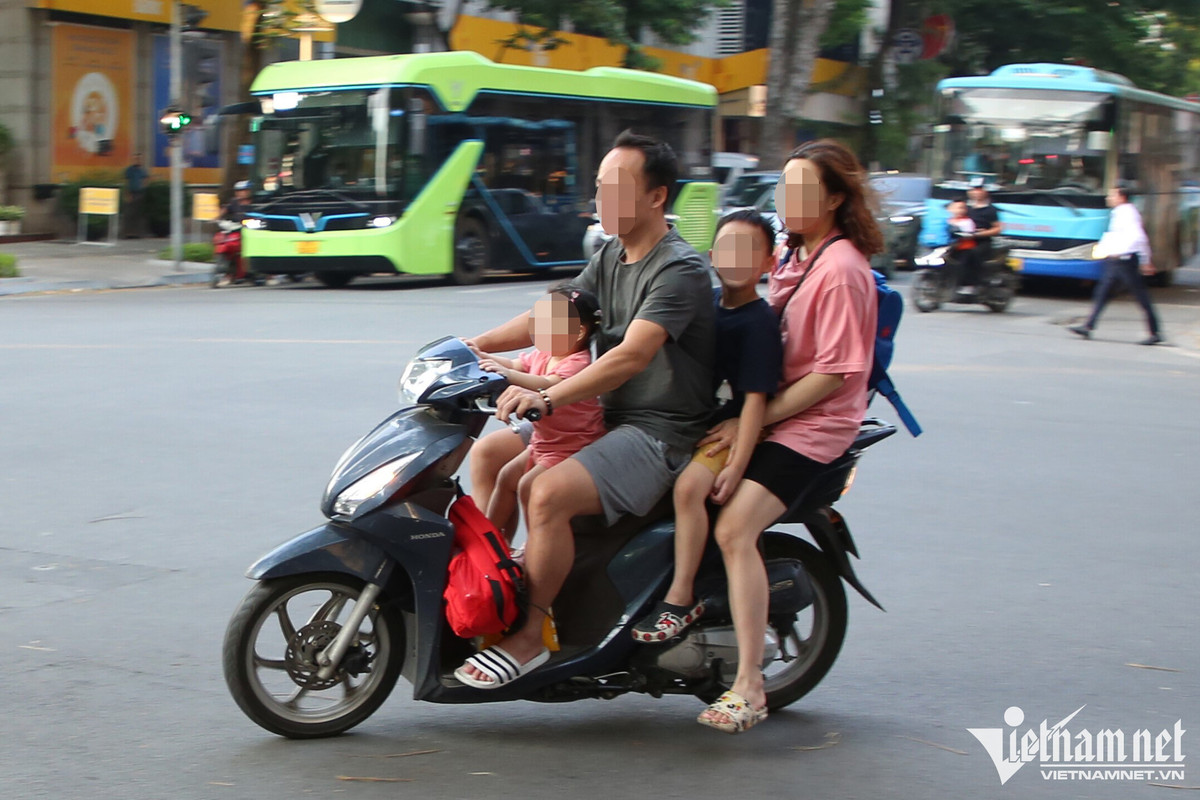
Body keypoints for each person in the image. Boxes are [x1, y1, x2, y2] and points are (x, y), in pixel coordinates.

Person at [454, 130, 716, 689]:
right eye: (599, 188)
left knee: (545, 494)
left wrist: (547, 396)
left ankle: (531, 633)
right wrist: (468, 349)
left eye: (617, 187)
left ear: (656, 197)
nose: (603, 200)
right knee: (489, 452)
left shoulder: (680, 271)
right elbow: (548, 320)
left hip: (659, 432)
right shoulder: (611, 255)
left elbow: (630, 356)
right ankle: (494, 586)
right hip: (606, 418)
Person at [694, 139, 882, 733]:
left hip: (812, 428)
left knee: (733, 527)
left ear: (832, 198)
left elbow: (833, 374)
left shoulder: (843, 269)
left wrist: (759, 417)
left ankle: (749, 685)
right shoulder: (795, 256)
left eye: (804, 190)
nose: (790, 199)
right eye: (785, 188)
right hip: (773, 412)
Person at [630, 209, 782, 643]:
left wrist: (737, 462)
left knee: (689, 489)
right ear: (713, 255)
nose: (736, 258)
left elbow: (755, 400)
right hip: (691, 419)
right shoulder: (707, 303)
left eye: (749, 251)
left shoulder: (758, 323)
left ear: (768, 262)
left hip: (727, 431)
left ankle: (679, 598)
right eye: (729, 249)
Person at [469, 285, 607, 543]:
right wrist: (480, 355)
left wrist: (508, 376)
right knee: (506, 479)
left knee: (526, 487)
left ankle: (535, 548)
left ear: (578, 331)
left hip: (571, 447)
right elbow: (513, 364)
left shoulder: (578, 363)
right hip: (542, 443)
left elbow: (548, 384)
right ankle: (489, 546)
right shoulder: (545, 353)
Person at [1069, 184, 1163, 345]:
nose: (1109, 198)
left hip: (1126, 261)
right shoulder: (1119, 213)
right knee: (1102, 293)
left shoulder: (1128, 214)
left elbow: (1139, 237)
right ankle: (1088, 326)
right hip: (1115, 261)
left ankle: (1155, 332)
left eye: (1112, 195)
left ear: (1121, 197)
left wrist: (1146, 261)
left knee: (1141, 297)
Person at [965, 178, 1002, 290]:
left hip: (982, 242)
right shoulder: (965, 207)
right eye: (974, 189)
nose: (976, 192)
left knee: (972, 254)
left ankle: (975, 283)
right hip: (964, 239)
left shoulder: (990, 210)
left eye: (979, 189)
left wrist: (983, 233)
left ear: (985, 191)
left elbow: (998, 228)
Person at [945, 197, 979, 291]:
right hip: (948, 248)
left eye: (962, 208)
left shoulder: (967, 221)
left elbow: (969, 234)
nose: (959, 210)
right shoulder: (947, 220)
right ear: (950, 209)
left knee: (961, 266)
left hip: (963, 248)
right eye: (957, 207)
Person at [123, 153, 149, 238]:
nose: (137, 160)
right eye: (136, 159)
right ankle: (128, 233)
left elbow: (146, 179)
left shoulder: (142, 170)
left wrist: (143, 187)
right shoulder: (130, 170)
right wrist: (127, 194)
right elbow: (126, 182)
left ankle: (137, 233)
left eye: (139, 159)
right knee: (129, 214)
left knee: (138, 214)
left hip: (140, 194)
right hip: (131, 193)